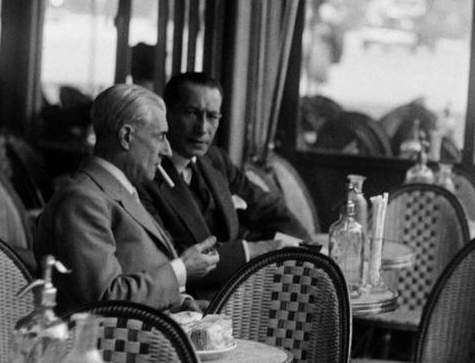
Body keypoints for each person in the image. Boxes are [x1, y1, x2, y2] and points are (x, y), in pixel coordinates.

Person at [34, 83, 218, 312]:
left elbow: (136, 273)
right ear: (127, 136)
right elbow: (104, 299)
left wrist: (180, 304)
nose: (168, 150)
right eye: (160, 137)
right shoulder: (82, 200)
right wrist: (181, 269)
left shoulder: (120, 192)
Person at [138, 71, 312, 301]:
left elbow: (267, 207)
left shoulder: (215, 160)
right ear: (167, 114)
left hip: (242, 291)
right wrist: (252, 251)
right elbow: (175, 260)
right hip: (192, 301)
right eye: (191, 113)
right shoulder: (148, 174)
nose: (202, 128)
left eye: (211, 116)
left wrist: (307, 247)